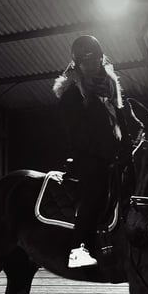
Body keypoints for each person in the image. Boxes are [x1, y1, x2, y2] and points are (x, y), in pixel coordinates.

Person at [53, 35, 126, 268]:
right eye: (86, 62)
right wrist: (104, 152)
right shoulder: (72, 93)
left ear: (101, 59)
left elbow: (120, 120)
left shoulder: (110, 88)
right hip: (88, 157)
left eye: (95, 60)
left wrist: (129, 143)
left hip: (112, 155)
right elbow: (76, 132)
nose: (91, 65)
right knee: (95, 189)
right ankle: (78, 249)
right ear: (77, 64)